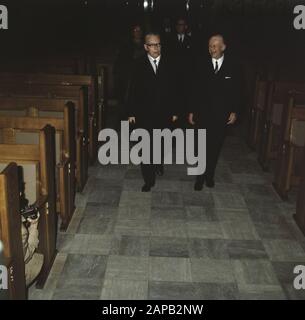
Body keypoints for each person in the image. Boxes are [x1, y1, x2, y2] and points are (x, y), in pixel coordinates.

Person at [188, 34, 242, 191]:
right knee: (201, 146)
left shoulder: (233, 66)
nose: (211, 49)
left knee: (215, 147)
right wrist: (191, 110)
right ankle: (199, 177)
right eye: (210, 46)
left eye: (215, 46)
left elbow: (238, 92)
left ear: (223, 47)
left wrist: (234, 111)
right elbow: (194, 90)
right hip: (202, 113)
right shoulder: (200, 64)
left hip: (221, 115)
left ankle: (209, 175)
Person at [128, 31, 178, 192]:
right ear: (145, 47)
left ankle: (158, 162)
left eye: (158, 44)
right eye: (152, 45)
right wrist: (131, 112)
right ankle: (148, 180)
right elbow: (131, 90)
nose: (156, 48)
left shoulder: (170, 63)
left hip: (165, 113)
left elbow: (176, 89)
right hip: (144, 114)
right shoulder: (137, 64)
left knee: (162, 143)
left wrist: (176, 110)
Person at [113, 24, 146, 124]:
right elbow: (120, 63)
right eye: (135, 30)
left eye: (139, 30)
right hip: (128, 78)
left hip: (142, 77)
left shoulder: (146, 45)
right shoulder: (126, 45)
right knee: (125, 100)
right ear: (132, 32)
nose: (138, 32)